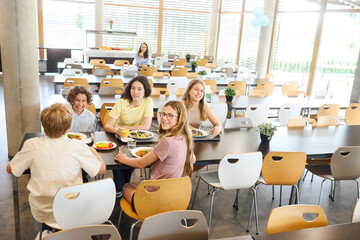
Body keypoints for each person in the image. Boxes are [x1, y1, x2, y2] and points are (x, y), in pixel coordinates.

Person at [6, 103, 106, 223]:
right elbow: (101, 170)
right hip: (71, 210)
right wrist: (94, 152)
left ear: (43, 125)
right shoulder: (77, 146)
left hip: (41, 211)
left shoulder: (31, 144)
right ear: (68, 126)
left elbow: (10, 169)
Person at [115, 101, 195, 210]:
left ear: (179, 119)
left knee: (126, 186)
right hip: (175, 199)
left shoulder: (167, 141)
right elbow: (193, 159)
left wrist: (123, 159)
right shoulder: (185, 137)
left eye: (170, 115)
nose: (164, 118)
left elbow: (140, 163)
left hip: (155, 201)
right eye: (163, 114)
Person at [104, 76, 153, 196]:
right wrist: (117, 131)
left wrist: (126, 128)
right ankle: (121, 188)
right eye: (133, 88)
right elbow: (108, 126)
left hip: (138, 138)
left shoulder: (148, 101)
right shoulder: (122, 102)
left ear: (145, 91)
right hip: (120, 138)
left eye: (139, 89)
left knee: (130, 160)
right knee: (120, 159)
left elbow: (146, 126)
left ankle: (122, 187)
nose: (135, 92)